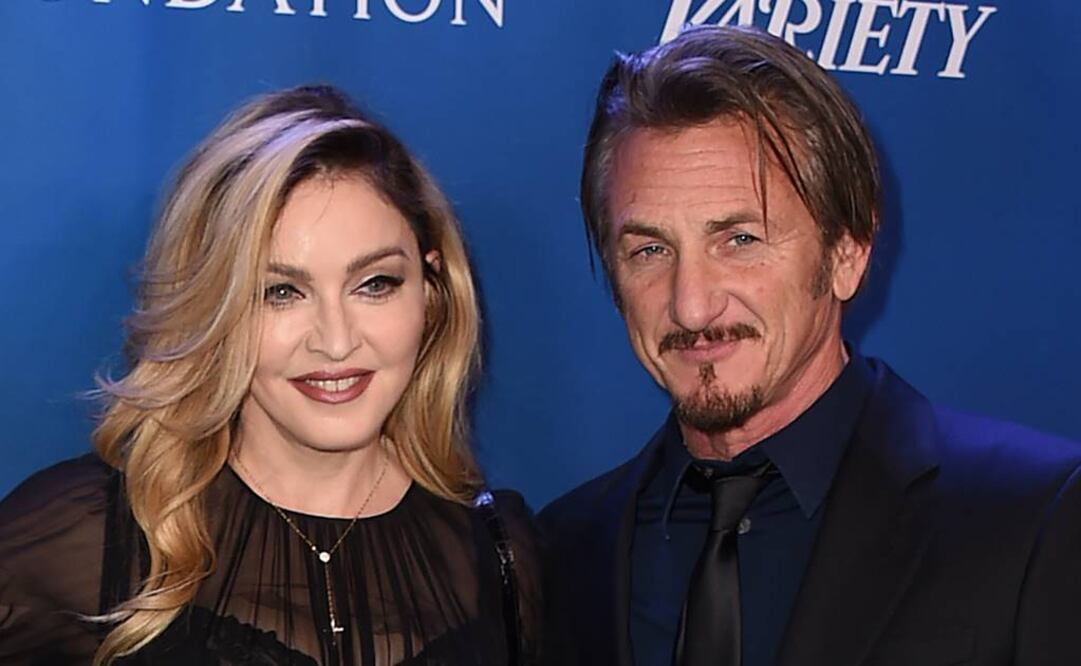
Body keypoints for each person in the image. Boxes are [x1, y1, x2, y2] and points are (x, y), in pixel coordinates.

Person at [539, 25, 1081, 666]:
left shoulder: (1034, 520)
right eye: (650, 250)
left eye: (739, 240)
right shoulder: (563, 550)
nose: (691, 304)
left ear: (847, 254)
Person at [0, 85, 540, 665]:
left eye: (374, 284)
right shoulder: (85, 539)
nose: (335, 340)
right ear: (216, 306)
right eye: (280, 292)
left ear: (431, 291)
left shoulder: (498, 554)